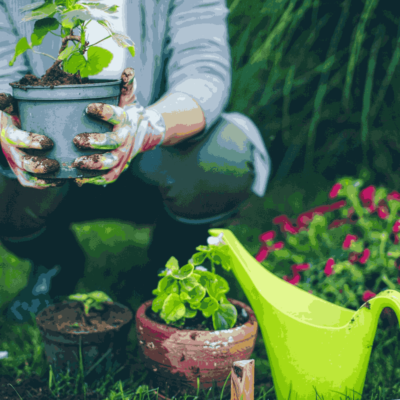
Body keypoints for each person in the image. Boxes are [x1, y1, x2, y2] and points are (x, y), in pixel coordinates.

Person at [0, 0, 271, 323]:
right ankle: (54, 259)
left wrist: (148, 127)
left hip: (155, 161)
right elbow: (5, 75)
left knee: (226, 152)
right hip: (47, 167)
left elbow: (203, 73)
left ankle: (173, 257)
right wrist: (7, 128)